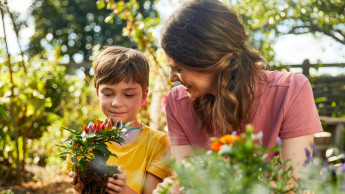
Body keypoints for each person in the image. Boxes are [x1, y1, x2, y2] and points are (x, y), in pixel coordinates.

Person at [161, 0, 322, 178]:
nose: (172, 78)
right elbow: (186, 182)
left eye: (178, 68)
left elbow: (294, 183)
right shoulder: (178, 102)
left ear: (210, 59)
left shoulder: (290, 91)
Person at [62, 46, 171, 194]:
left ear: (144, 97)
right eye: (108, 93)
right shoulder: (84, 142)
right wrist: (81, 188)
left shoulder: (158, 143)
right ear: (98, 93)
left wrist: (123, 190)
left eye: (128, 95)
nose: (117, 102)